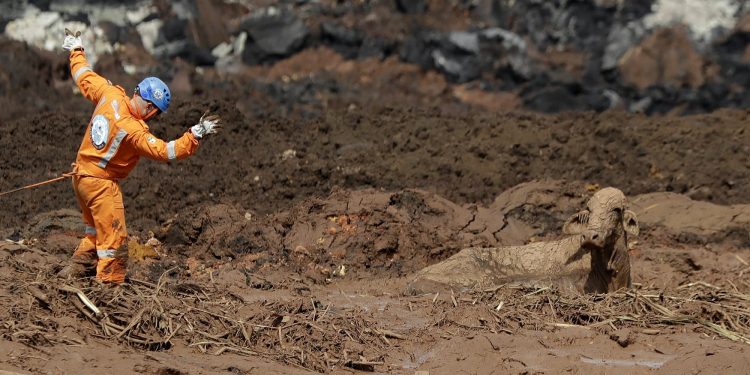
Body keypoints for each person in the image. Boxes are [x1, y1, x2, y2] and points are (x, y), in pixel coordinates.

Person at [58, 29, 221, 284]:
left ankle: (76, 270)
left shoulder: (110, 94)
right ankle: (108, 287)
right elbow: (166, 151)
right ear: (150, 107)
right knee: (114, 240)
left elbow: (84, 76)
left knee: (95, 230)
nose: (153, 117)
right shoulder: (133, 131)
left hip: (80, 177)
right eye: (155, 113)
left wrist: (76, 50)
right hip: (101, 185)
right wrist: (196, 134)